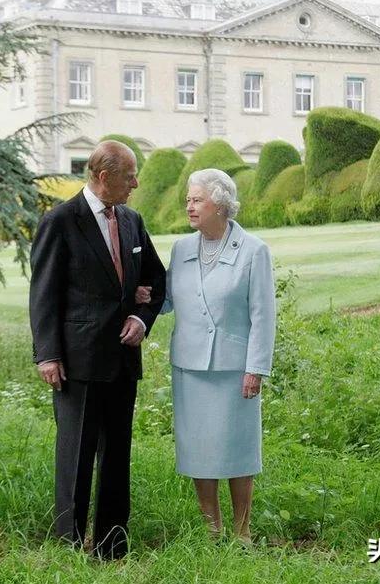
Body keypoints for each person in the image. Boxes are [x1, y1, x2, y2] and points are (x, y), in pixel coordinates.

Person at [29, 140, 166, 560]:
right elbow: (43, 294)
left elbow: (155, 282)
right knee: (76, 456)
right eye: (129, 176)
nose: (136, 183)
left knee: (116, 456)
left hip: (123, 361)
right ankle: (68, 546)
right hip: (77, 362)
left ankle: (112, 546)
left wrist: (141, 317)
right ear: (104, 177)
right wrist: (47, 354)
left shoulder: (131, 220)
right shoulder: (60, 221)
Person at [142, 168, 275, 544]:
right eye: (188, 199)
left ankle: (242, 531)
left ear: (220, 205)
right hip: (190, 366)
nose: (190, 206)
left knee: (238, 449)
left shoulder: (254, 250)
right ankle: (211, 529)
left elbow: (263, 315)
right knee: (199, 448)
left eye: (197, 199)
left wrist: (256, 368)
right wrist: (144, 298)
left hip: (235, 369)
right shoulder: (182, 248)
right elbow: (168, 300)